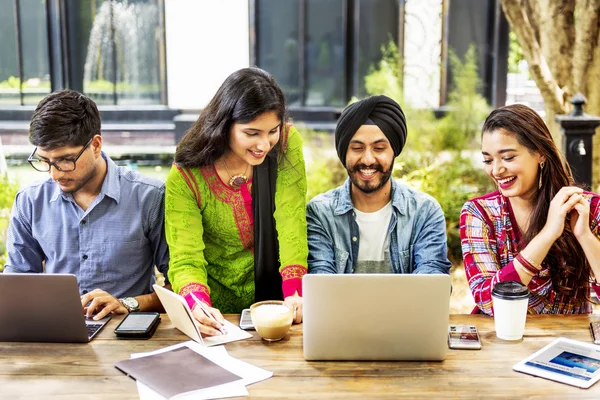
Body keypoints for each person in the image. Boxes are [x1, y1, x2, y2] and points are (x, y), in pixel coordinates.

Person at [165, 67, 308, 337]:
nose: (264, 145)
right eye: (251, 133)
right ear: (224, 126)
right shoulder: (187, 176)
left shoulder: (287, 144)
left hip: (279, 309)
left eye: (272, 131)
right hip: (218, 315)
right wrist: (197, 305)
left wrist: (295, 292)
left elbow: (292, 219)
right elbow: (185, 258)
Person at [4, 89, 170, 320]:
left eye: (65, 160)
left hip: (127, 331)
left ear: (96, 145)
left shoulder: (149, 196)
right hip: (55, 330)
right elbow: (16, 284)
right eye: (45, 161)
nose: (54, 174)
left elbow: (180, 287)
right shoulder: (31, 201)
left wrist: (127, 304)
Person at [460, 104, 600, 315]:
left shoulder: (586, 208)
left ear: (540, 154)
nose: (496, 170)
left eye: (508, 158)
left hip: (570, 342)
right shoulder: (479, 213)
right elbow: (487, 302)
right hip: (504, 340)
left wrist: (584, 236)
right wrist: (548, 234)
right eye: (488, 160)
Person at [307, 95, 451, 275]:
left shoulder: (424, 212)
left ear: (394, 152)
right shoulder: (320, 213)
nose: (368, 159)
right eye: (357, 148)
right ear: (344, 153)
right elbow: (321, 283)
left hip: (407, 305)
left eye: (379, 148)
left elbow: (431, 279)